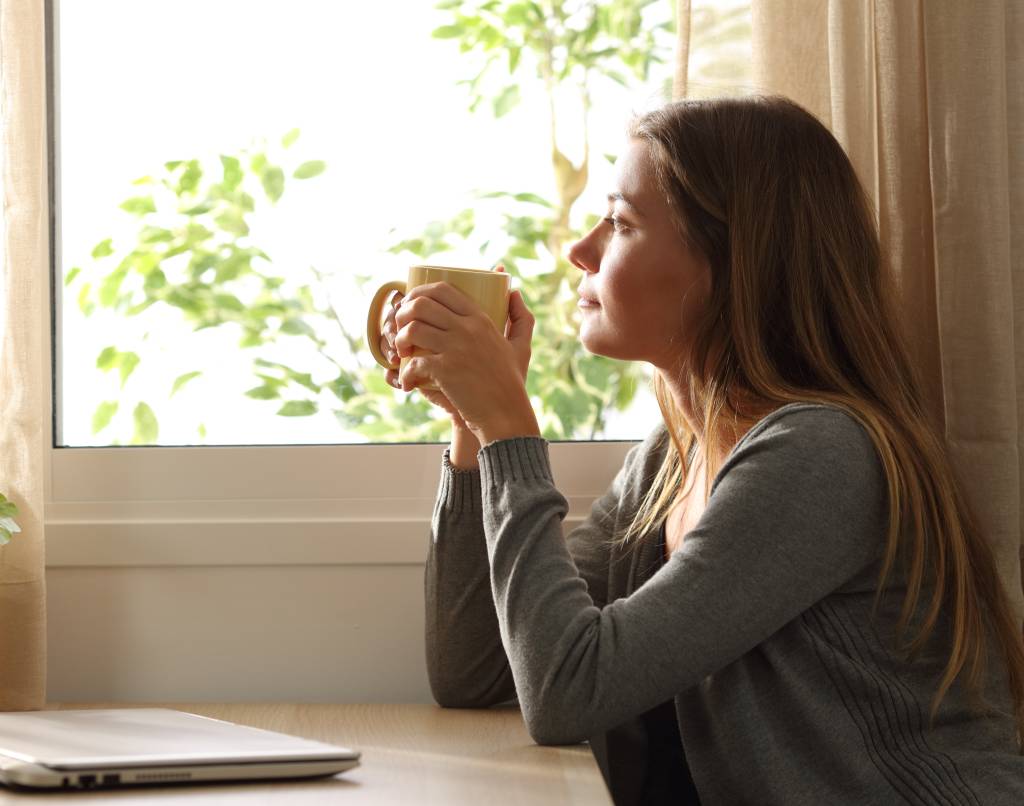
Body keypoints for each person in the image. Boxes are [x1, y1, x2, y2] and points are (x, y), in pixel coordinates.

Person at [377, 95, 1024, 805]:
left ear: (726, 265)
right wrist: (473, 428)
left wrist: (510, 427)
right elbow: (473, 670)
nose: (580, 249)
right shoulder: (670, 461)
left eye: (621, 223)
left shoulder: (820, 454)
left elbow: (568, 690)